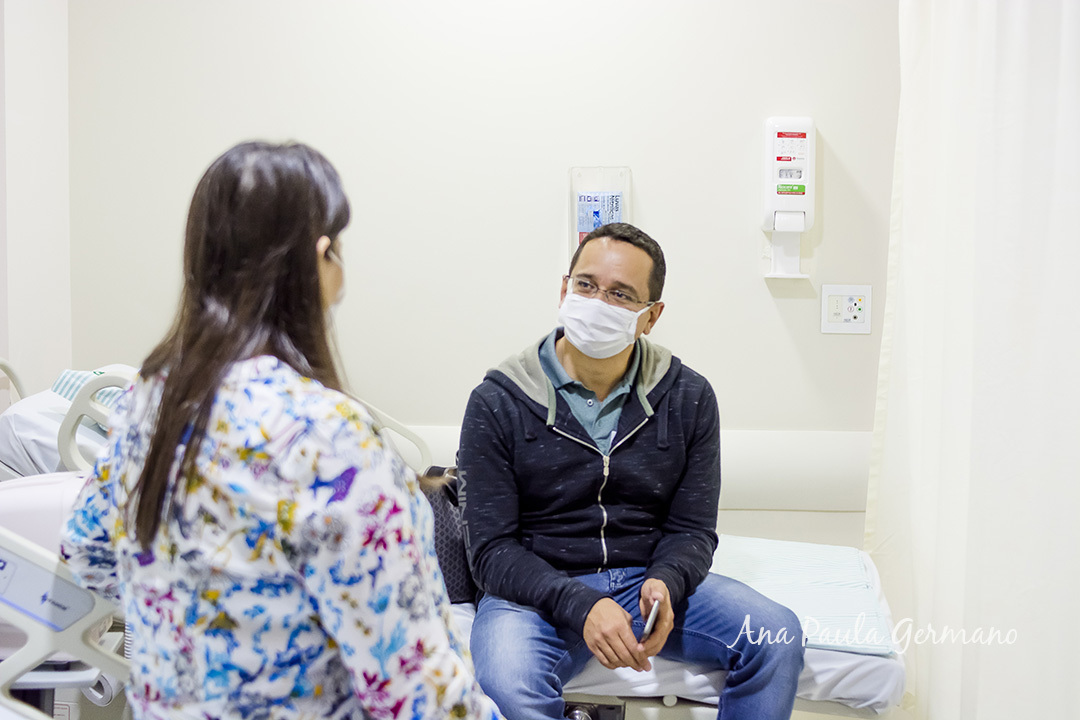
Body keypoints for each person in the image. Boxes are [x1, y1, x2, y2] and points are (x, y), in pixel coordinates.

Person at [60, 141, 503, 720]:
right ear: (322, 257)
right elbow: (416, 691)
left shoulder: (154, 401)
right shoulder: (328, 436)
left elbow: (86, 552)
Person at [458, 223, 804, 720]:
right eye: (585, 285)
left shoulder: (689, 398)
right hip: (536, 591)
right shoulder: (498, 401)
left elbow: (692, 530)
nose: (597, 301)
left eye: (621, 294)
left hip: (644, 581)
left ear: (651, 317)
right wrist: (579, 603)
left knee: (777, 635)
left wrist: (668, 581)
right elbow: (490, 552)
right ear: (563, 288)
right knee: (509, 683)